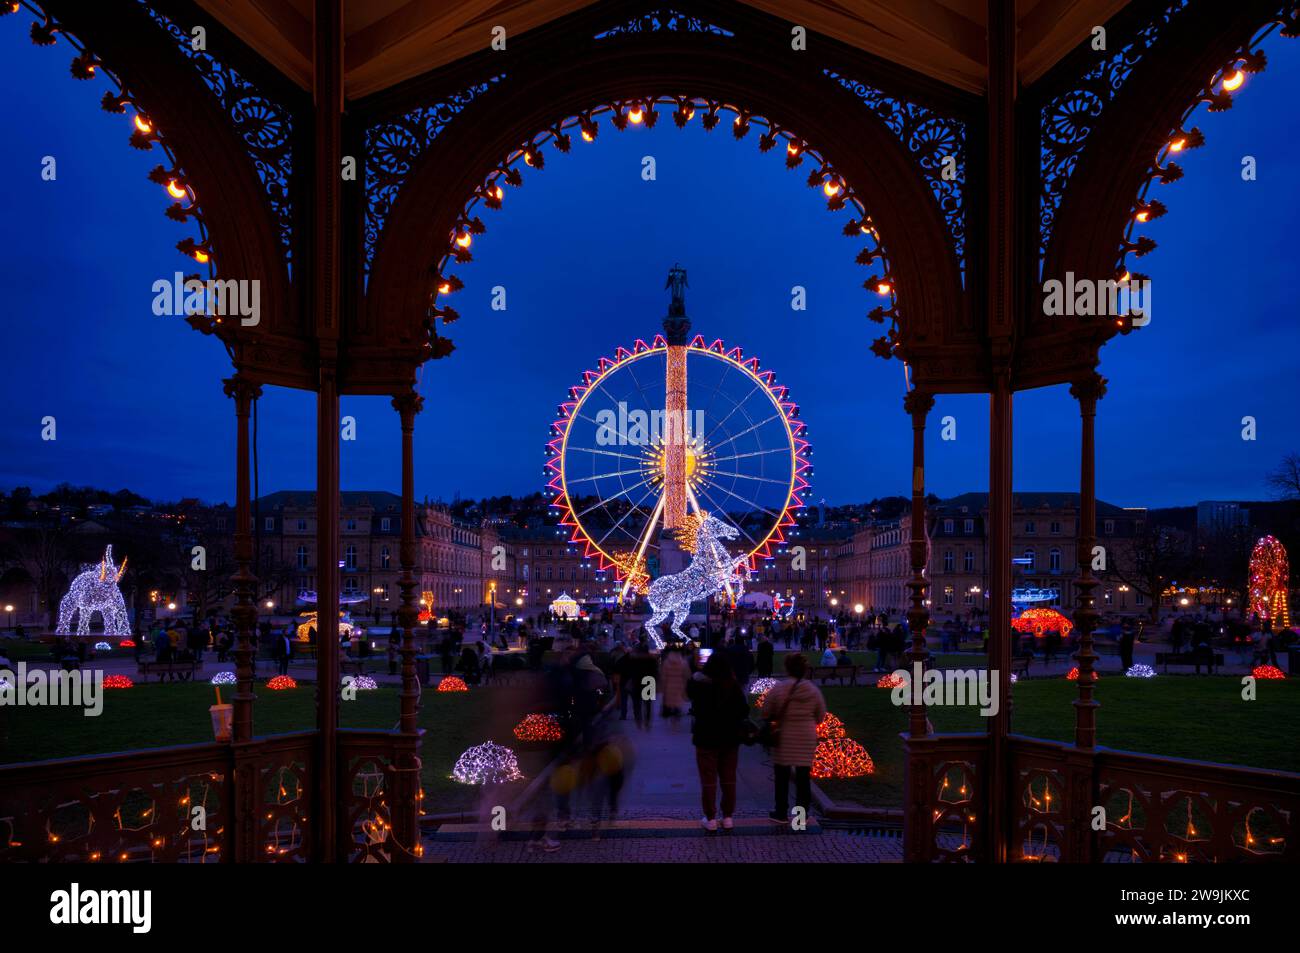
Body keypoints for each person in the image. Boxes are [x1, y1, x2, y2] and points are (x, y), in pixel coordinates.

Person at [687, 652, 750, 831]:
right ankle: (728, 816)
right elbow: (744, 710)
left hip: (706, 738)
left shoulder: (699, 685)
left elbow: (689, 692)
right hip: (730, 738)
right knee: (729, 778)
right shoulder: (733, 686)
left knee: (708, 779)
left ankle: (711, 817)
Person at [762, 653, 826, 824]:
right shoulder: (813, 690)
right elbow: (820, 716)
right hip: (805, 738)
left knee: (781, 777)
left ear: (787, 668)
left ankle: (781, 812)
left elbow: (766, 712)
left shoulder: (779, 689)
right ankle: (801, 816)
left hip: (784, 736)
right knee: (803, 779)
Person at [659, 645, 690, 719]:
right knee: (677, 702)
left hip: (669, 685)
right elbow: (687, 675)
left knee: (669, 701)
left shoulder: (666, 662)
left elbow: (663, 675)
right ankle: (676, 714)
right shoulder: (683, 662)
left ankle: (668, 714)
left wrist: (662, 687)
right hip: (679, 684)